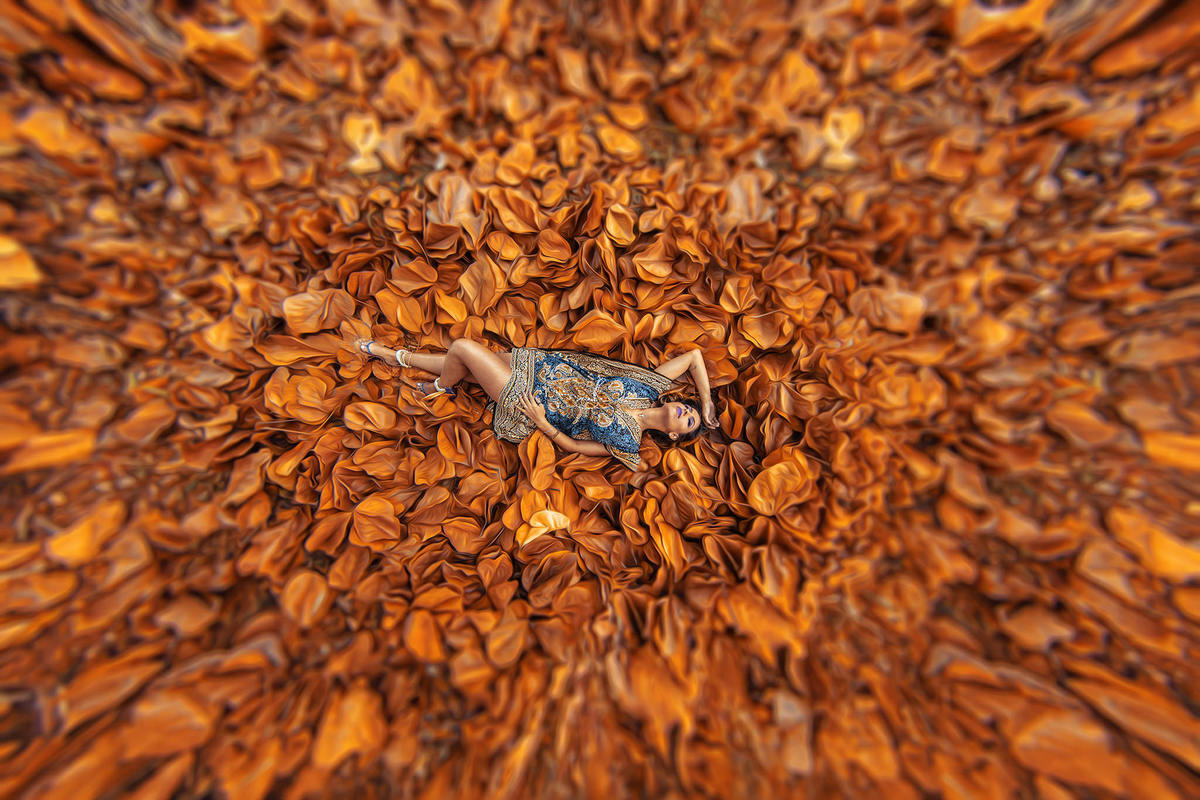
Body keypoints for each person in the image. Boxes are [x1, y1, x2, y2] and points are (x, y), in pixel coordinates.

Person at [355, 337, 718, 470]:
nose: (686, 414)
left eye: (688, 422)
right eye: (688, 411)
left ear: (671, 435)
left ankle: (438, 386)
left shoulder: (627, 443)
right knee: (466, 365)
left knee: (464, 348)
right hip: (542, 365)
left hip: (532, 399)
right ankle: (396, 356)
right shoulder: (649, 385)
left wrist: (542, 421)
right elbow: (695, 357)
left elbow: (575, 445)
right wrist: (707, 405)